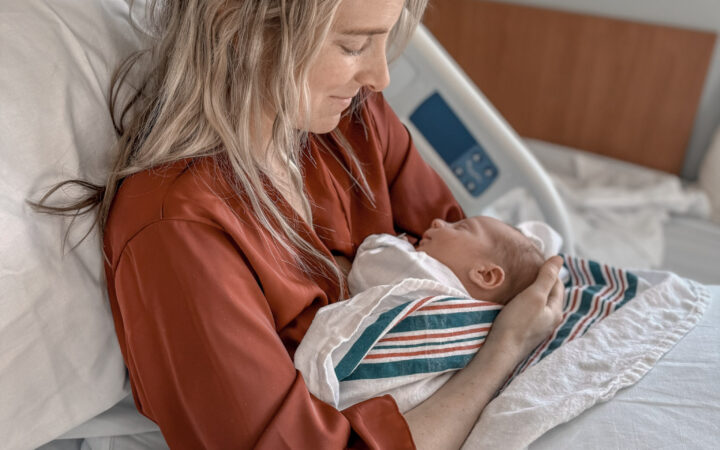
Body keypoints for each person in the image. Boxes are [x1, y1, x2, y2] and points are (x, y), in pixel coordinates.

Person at [36, 0, 564, 448]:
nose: (380, 77)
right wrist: (502, 354)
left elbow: (476, 276)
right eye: (354, 46)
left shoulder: (352, 125)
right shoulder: (178, 229)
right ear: (240, 28)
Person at [295, 216, 550, 412]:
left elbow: (369, 261)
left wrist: (394, 245)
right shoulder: (482, 322)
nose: (439, 221)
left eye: (460, 228)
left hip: (353, 398)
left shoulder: (429, 277)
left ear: (485, 274)